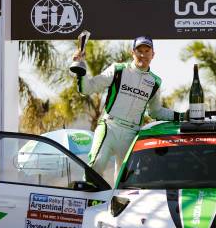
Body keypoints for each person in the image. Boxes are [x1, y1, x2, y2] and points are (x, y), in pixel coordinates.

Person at [73, 36, 182, 184]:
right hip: (109, 127)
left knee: (125, 182)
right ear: (133, 53)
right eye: (139, 51)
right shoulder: (118, 69)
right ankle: (88, 204)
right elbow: (87, 88)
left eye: (146, 51)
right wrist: (81, 69)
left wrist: (181, 116)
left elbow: (155, 112)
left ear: (153, 55)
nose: (143, 55)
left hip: (132, 134)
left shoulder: (155, 82)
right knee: (95, 168)